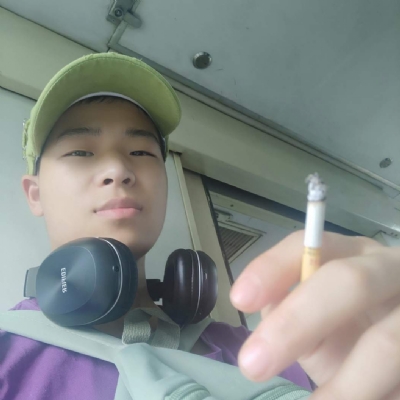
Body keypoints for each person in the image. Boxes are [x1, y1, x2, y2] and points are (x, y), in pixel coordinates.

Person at [1, 52, 399, 400]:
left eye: (140, 151)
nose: (118, 170)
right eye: (80, 152)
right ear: (34, 194)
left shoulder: (267, 353)